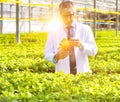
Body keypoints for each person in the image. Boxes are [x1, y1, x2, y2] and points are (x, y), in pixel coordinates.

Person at [44, 0, 98, 75]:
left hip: (82, 74)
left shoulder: (85, 29)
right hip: (62, 75)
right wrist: (56, 56)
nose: (67, 19)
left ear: (75, 14)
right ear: (60, 15)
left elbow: (94, 51)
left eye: (70, 15)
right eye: (64, 16)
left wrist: (81, 45)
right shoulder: (54, 31)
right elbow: (47, 53)